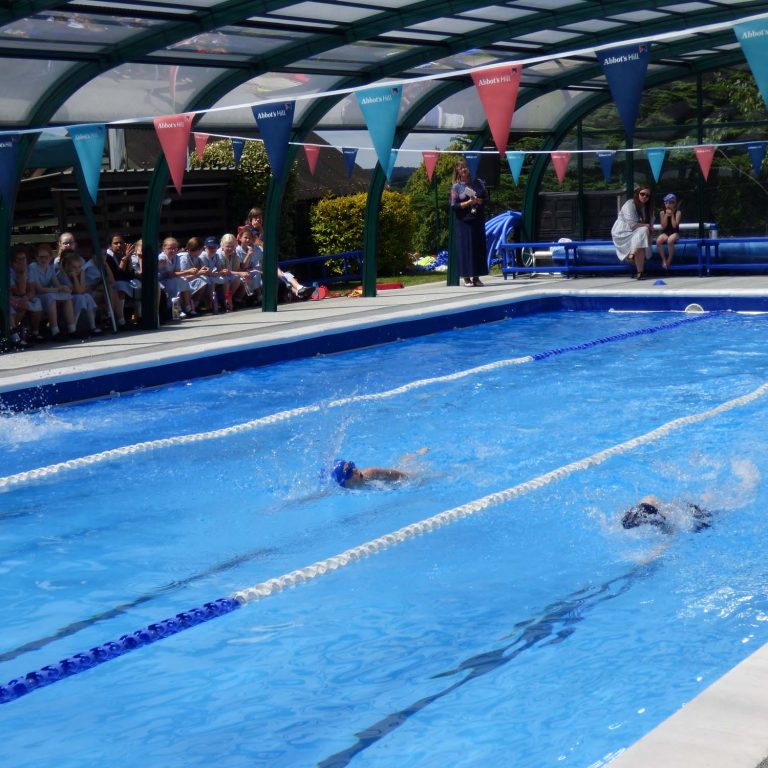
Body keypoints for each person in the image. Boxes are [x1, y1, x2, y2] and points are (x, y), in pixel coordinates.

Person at [245, 207, 313, 300]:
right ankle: (298, 290)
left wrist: (261, 231)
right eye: (256, 218)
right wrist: (261, 229)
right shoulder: (248, 230)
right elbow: (262, 244)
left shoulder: (260, 230)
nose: (258, 220)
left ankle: (299, 290)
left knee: (282, 274)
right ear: (250, 219)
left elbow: (268, 246)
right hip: (253, 264)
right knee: (280, 273)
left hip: (264, 261)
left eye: (260, 217)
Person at [449, 159, 488, 287]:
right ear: (458, 171)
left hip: (477, 220)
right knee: (465, 248)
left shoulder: (478, 183)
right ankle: (466, 278)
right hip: (463, 222)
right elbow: (453, 205)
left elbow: (486, 199)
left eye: (465, 167)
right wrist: (468, 203)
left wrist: (478, 201)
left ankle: (476, 277)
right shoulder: (456, 186)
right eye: (461, 168)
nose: (464, 170)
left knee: (477, 248)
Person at [27, 243, 77, 340]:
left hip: (47, 294)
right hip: (36, 296)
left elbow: (56, 283)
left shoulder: (50, 268)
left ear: (50, 257)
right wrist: (58, 289)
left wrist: (64, 288)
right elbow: (39, 289)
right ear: (36, 257)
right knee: (51, 297)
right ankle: (55, 331)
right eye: (41, 257)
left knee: (66, 296)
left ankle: (72, 329)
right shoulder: (32, 267)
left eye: (46, 257)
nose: (43, 259)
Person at [330, 448, 428, 489]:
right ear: (342, 482)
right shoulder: (342, 489)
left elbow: (401, 476)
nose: (355, 470)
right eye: (349, 472)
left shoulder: (370, 473)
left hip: (396, 474)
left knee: (408, 469)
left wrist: (415, 480)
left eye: (352, 465)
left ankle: (416, 454)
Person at [611, 186, 653, 280]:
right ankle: (639, 271)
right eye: (642, 194)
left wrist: (648, 229)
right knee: (643, 234)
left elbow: (649, 226)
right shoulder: (630, 204)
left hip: (637, 234)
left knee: (642, 237)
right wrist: (647, 226)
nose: (644, 197)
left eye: (647, 195)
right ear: (637, 194)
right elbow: (632, 224)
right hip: (623, 232)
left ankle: (634, 260)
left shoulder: (647, 209)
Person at [59, 251, 102, 337]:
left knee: (87, 296)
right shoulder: (62, 275)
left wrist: (81, 274)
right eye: (74, 267)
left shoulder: (80, 273)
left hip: (74, 297)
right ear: (67, 267)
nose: (77, 270)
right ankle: (72, 328)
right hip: (63, 301)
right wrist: (75, 277)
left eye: (79, 267)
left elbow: (82, 290)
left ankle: (92, 327)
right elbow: (78, 291)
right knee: (81, 298)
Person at [621, 495, 711, 534]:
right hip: (686, 509)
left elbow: (662, 548)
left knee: (707, 508)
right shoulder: (653, 506)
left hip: (697, 520)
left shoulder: (668, 525)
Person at [657, 193, 682, 271]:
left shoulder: (678, 213)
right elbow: (663, 226)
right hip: (666, 232)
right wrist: (665, 216)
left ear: (674, 204)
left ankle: (670, 258)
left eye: (670, 202)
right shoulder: (662, 213)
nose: (668, 204)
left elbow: (675, 226)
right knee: (658, 241)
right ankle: (663, 259)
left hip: (675, 233)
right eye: (666, 202)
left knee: (670, 240)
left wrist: (671, 216)